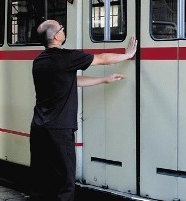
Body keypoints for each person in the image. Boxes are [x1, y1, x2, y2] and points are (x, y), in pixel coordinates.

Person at [30, 19, 137, 201]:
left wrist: (104, 80)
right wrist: (127, 55)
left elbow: (69, 82)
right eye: (62, 28)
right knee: (65, 182)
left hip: (39, 129)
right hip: (60, 130)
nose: (64, 30)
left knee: (42, 180)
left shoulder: (39, 61)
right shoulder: (66, 57)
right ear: (57, 36)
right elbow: (102, 59)